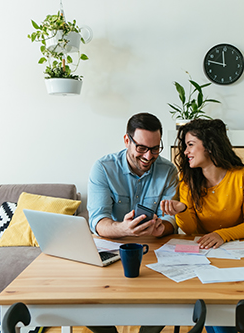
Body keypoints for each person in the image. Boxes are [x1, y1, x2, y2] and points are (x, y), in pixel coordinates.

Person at [160, 118, 244, 333]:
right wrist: (182, 211)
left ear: (209, 145)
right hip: (203, 259)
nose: (185, 151)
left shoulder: (242, 177)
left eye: (190, 144)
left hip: (237, 259)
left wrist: (221, 235)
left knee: (225, 315)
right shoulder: (187, 182)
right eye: (185, 145)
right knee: (218, 317)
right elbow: (190, 230)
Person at [87, 112, 178, 333]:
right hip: (111, 249)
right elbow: (98, 220)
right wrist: (122, 228)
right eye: (142, 148)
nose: (149, 156)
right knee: (86, 301)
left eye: (155, 149)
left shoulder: (169, 171)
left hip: (153, 251)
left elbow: (172, 221)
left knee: (168, 300)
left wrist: (161, 229)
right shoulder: (103, 168)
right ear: (127, 140)